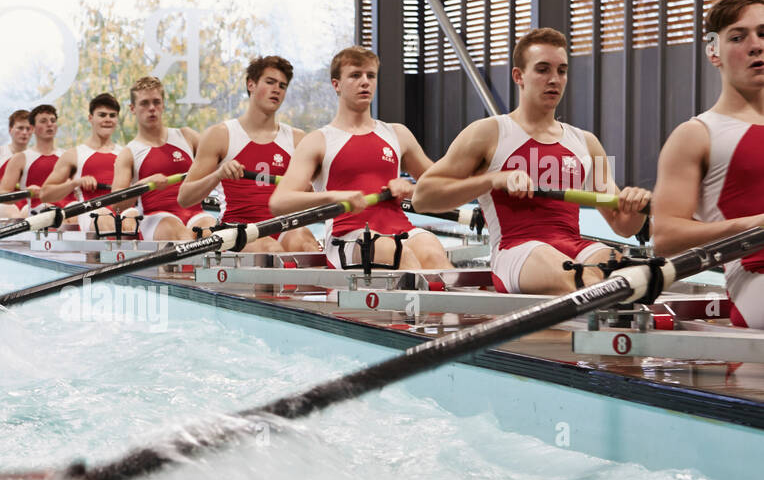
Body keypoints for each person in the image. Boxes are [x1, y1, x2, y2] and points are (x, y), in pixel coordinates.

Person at [413, 28, 649, 294]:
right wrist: (493, 179)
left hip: (574, 247)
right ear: (519, 76)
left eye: (561, 70)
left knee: (632, 279)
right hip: (516, 251)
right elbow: (423, 197)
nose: (554, 79)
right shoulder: (488, 133)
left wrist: (636, 207)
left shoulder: (587, 142)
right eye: (543, 69)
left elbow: (623, 226)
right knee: (585, 282)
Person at [271, 46, 452, 269]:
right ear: (336, 84)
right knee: (393, 251)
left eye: (371, 75)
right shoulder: (318, 141)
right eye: (355, 75)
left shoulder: (398, 134)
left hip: (400, 228)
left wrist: (410, 188)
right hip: (347, 236)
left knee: (432, 249)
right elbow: (279, 202)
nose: (365, 81)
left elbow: (442, 187)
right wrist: (336, 196)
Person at [652, 0, 764, 328]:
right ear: (713, 51)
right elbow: (665, 236)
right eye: (738, 37)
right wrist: (753, 225)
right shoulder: (696, 135)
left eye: (763, 33)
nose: (756, 45)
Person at [177, 55, 318, 252]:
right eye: (270, 82)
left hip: (282, 226)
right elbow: (184, 197)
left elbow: (316, 196)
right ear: (251, 85)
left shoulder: (298, 139)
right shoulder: (220, 135)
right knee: (271, 249)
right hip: (238, 230)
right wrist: (218, 175)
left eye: (282, 86)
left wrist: (310, 193)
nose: (276, 89)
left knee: (308, 245)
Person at [111, 76, 214, 241]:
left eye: (156, 102)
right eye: (144, 103)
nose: (151, 108)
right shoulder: (129, 153)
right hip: (156, 217)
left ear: (163, 105)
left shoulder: (188, 136)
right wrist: (144, 184)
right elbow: (116, 206)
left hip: (196, 213)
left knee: (213, 234)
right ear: (132, 108)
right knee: (181, 236)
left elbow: (221, 158)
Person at [38, 93, 131, 234]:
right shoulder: (73, 155)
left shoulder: (126, 153)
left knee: (134, 218)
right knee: (104, 218)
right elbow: (45, 194)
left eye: (112, 116)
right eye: (102, 115)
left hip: (124, 211)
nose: (108, 120)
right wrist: (75, 183)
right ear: (90, 118)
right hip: (91, 212)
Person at [0, 105, 65, 219]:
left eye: (53, 121)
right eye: (43, 121)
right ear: (32, 128)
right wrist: (26, 192)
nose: (49, 124)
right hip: (33, 214)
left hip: (64, 213)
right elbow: (2, 195)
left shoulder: (67, 156)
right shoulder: (20, 158)